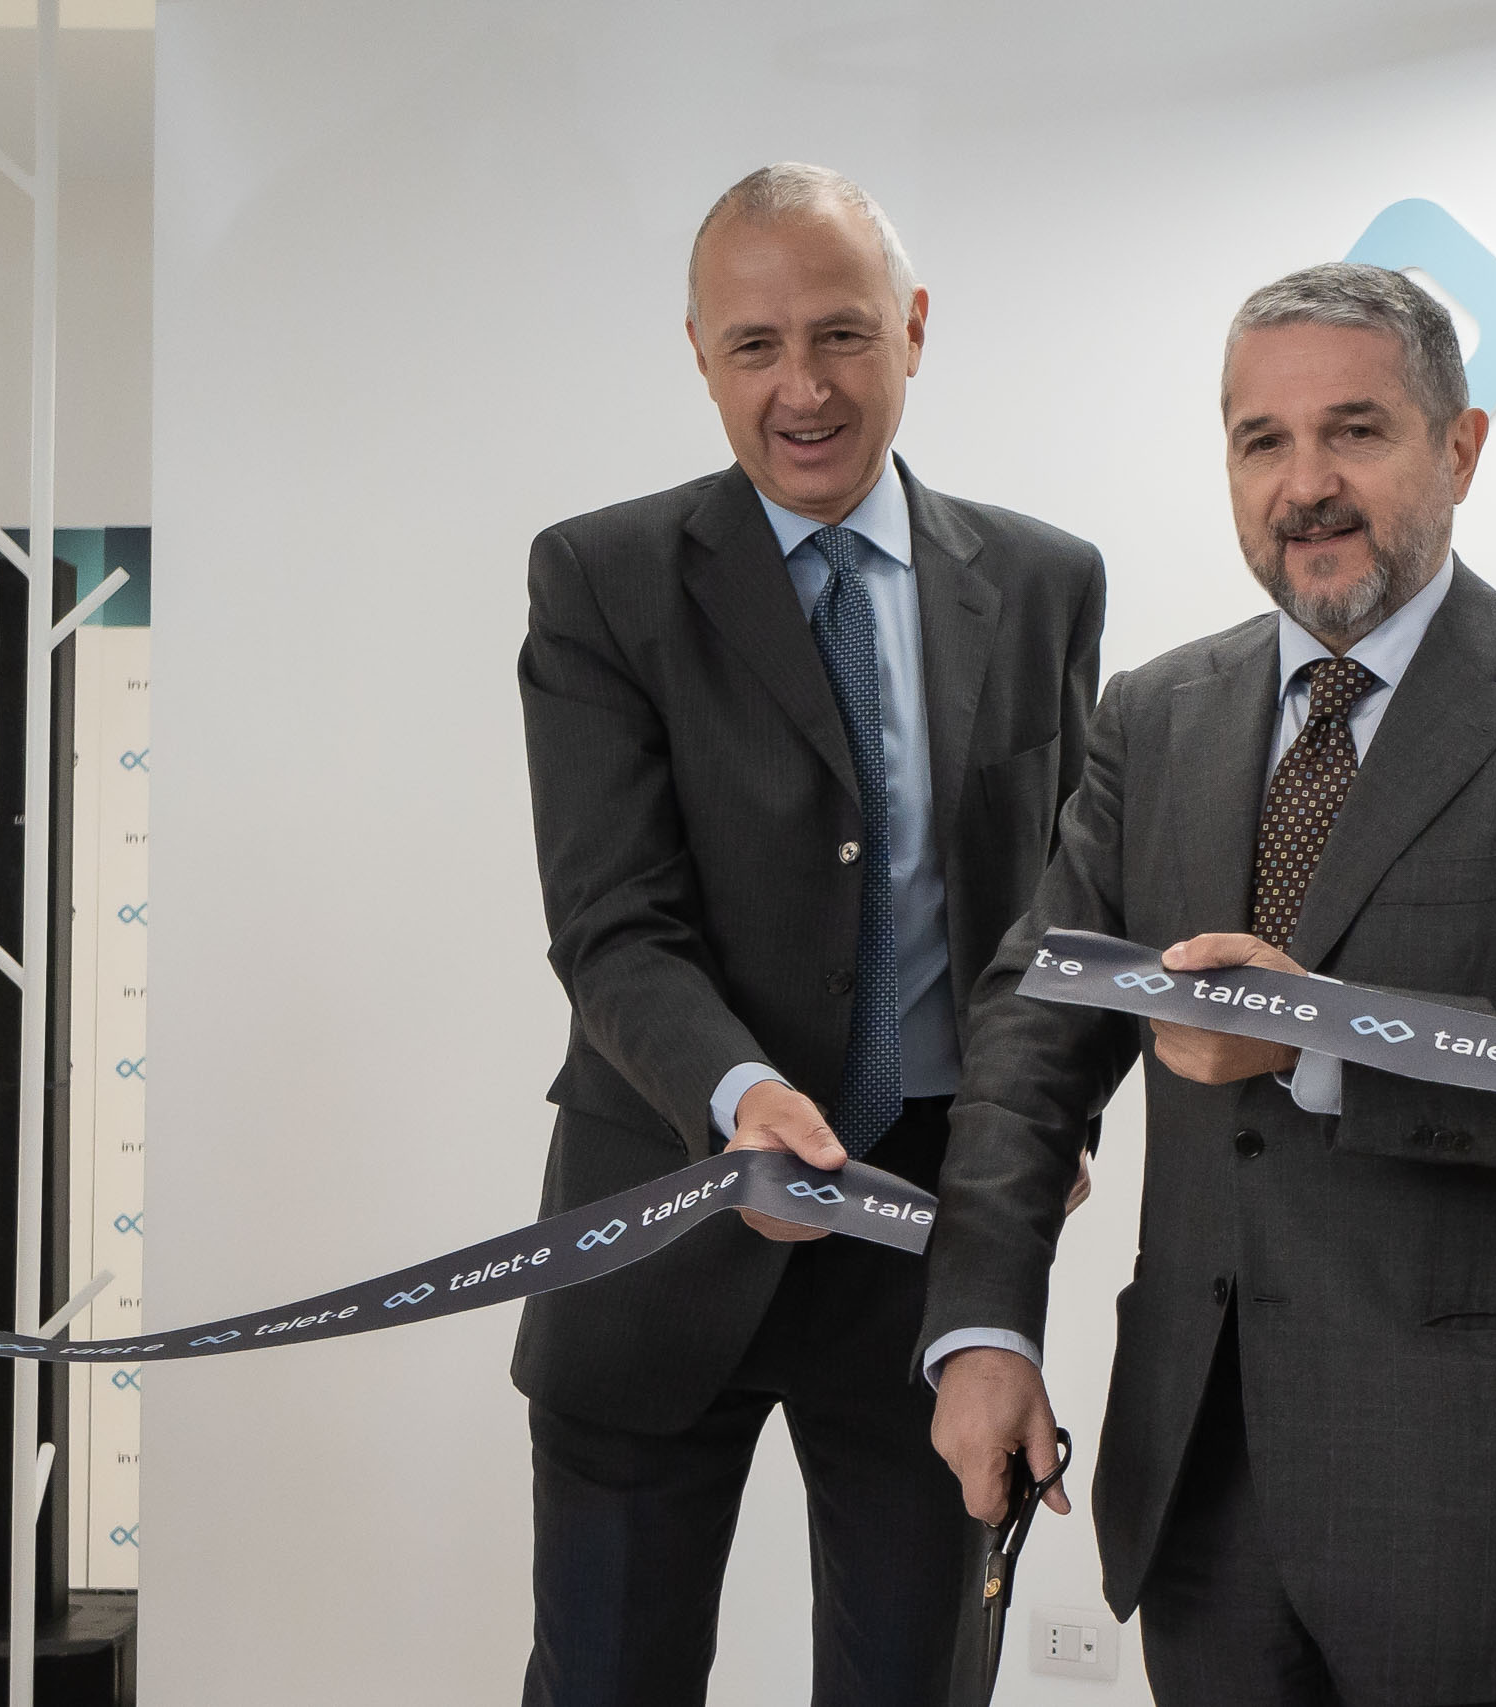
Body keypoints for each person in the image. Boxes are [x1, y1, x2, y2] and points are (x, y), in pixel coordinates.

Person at [921, 262, 1496, 1707]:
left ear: (1461, 449)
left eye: (1355, 431)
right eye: (1263, 441)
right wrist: (984, 1327)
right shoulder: (1154, 716)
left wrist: (1319, 1042)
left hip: (1486, 1500)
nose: (1305, 484)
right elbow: (1031, 1031)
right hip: (1206, 1492)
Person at [511, 162, 1105, 1707]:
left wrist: (1046, 1124)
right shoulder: (602, 580)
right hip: (665, 1222)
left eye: (841, 334)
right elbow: (613, 925)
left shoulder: (1046, 584)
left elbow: (1061, 918)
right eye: (755, 346)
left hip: (928, 1247)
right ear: (699, 356)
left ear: (912, 328)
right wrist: (740, 1100)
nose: (805, 389)